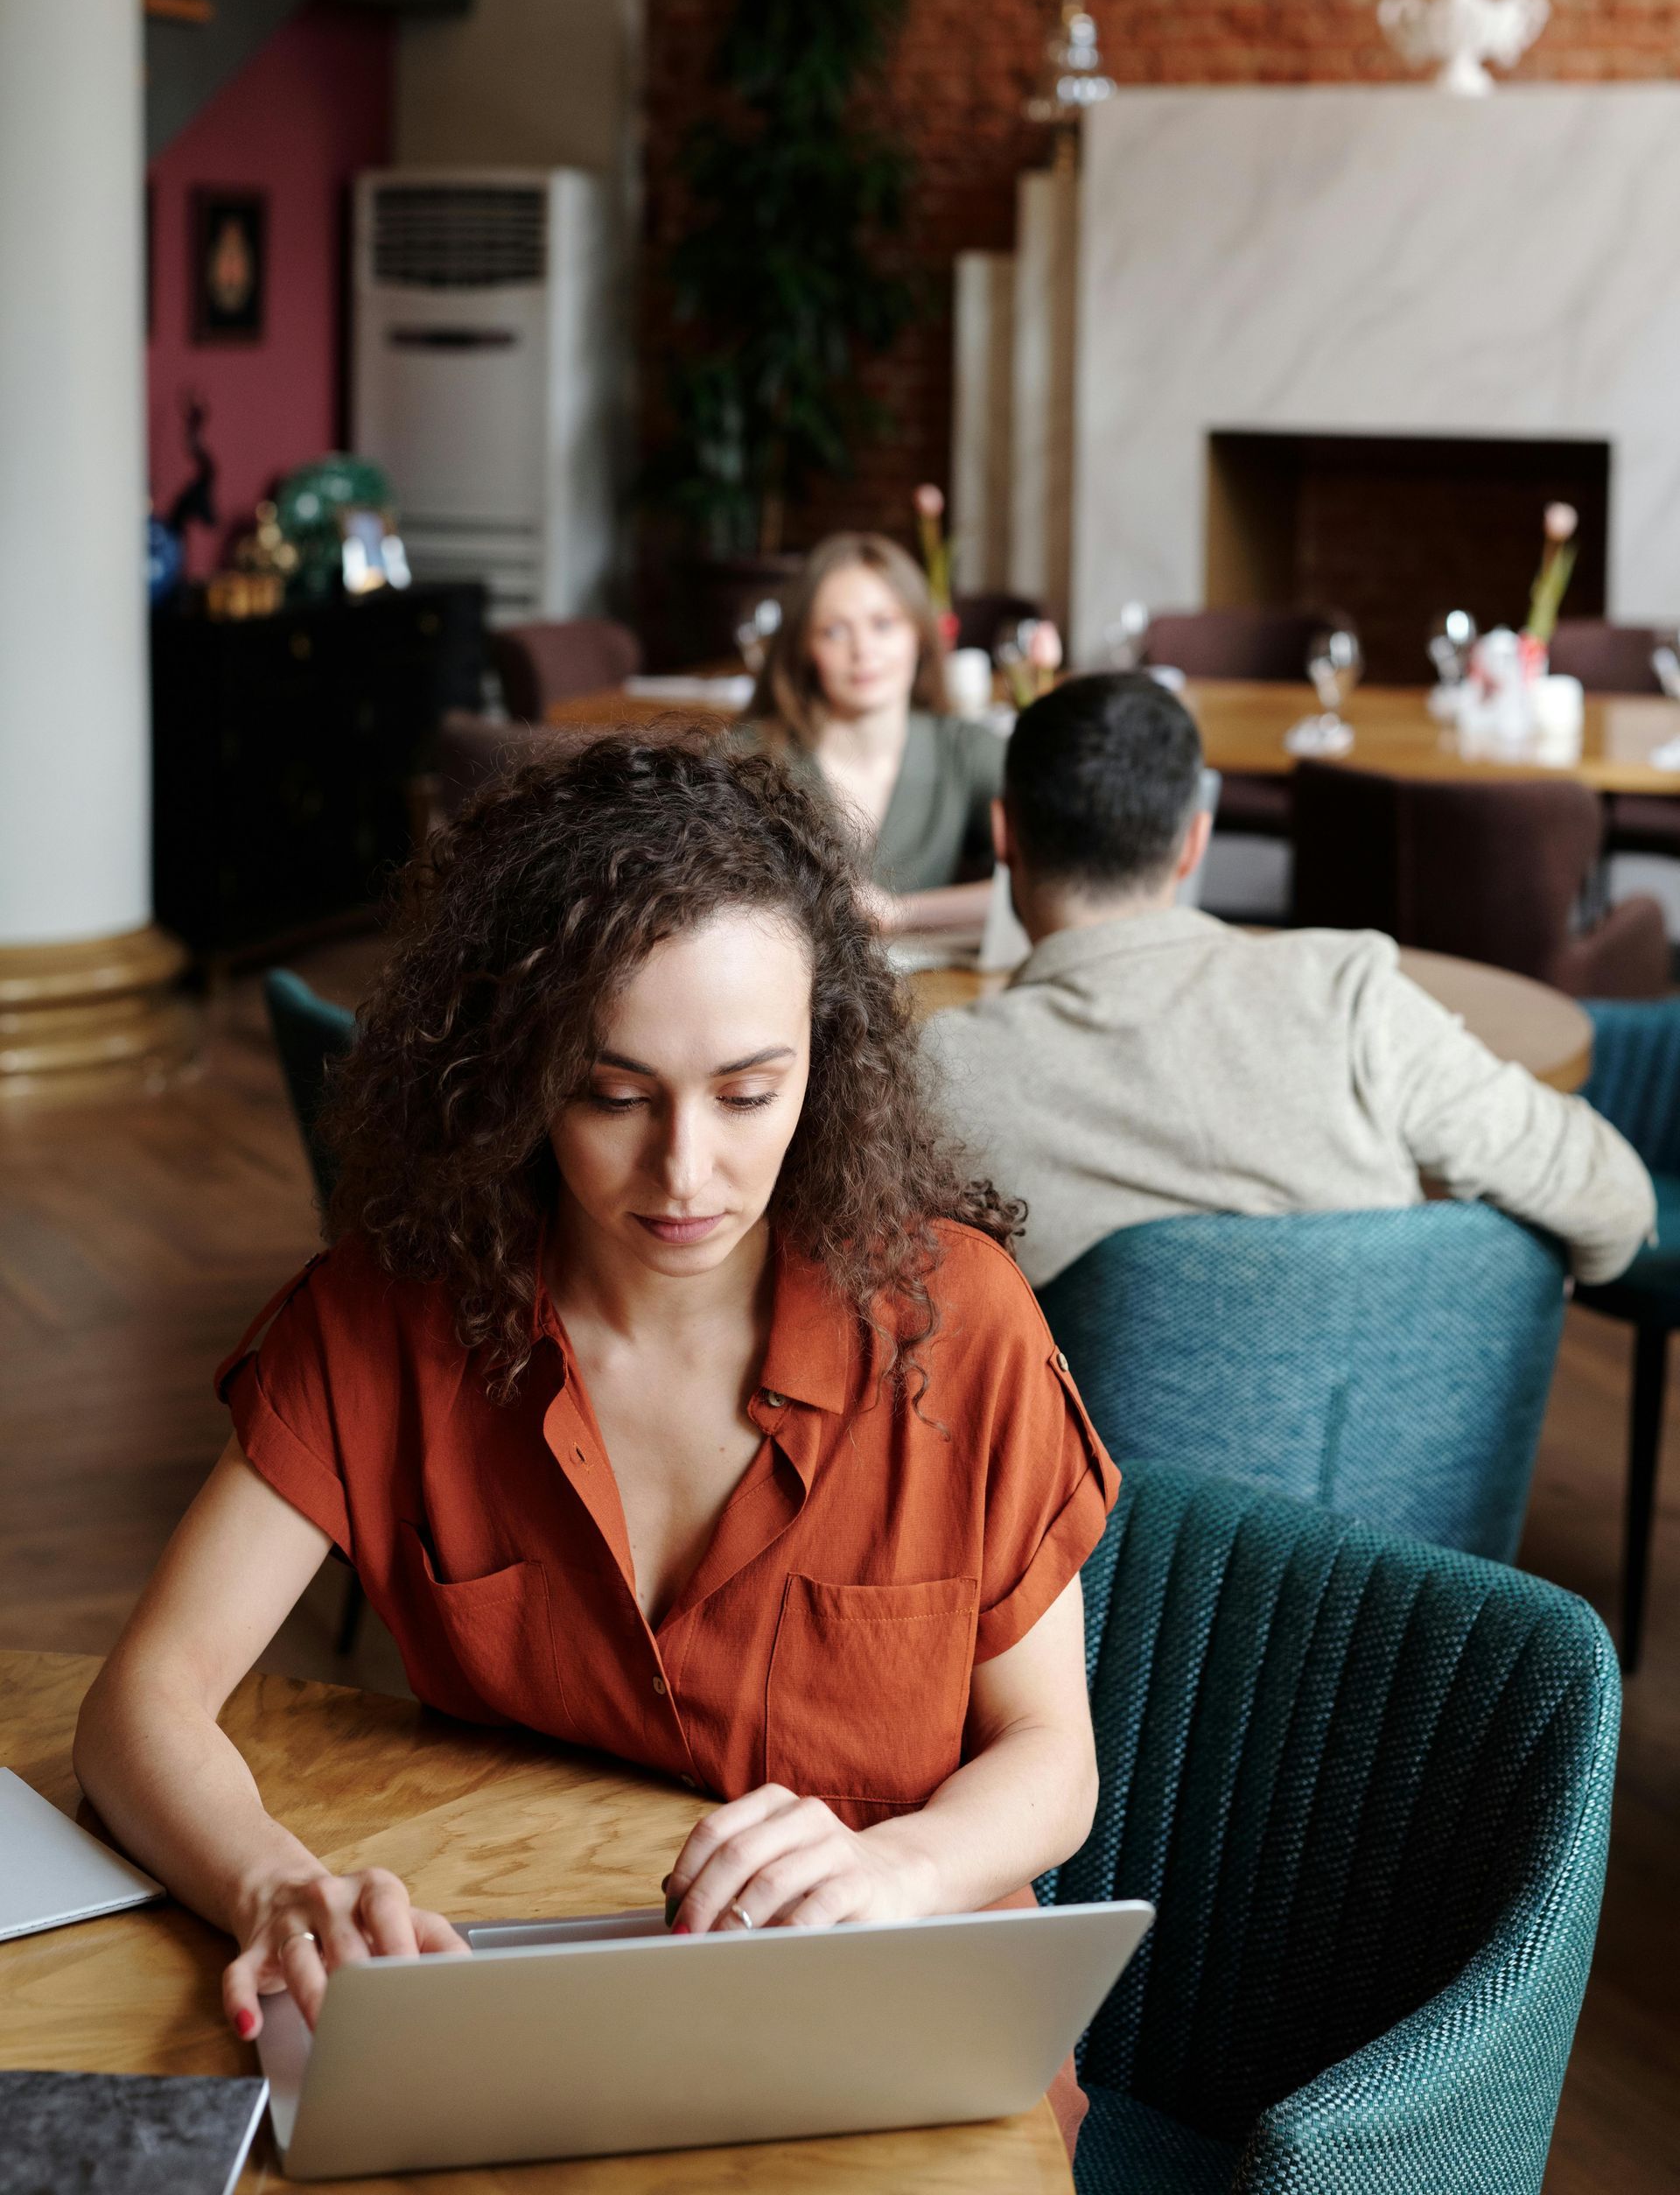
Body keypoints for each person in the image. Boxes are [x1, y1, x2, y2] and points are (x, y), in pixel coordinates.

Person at [74, 736, 1113, 2152]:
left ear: (830, 1059)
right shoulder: (390, 1319)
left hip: (887, 2003)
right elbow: (144, 1702)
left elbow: (1056, 1764)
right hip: (530, 2015)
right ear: (513, 1072)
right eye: (611, 1095)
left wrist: (900, 1865)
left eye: (751, 1094)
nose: (687, 1173)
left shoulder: (955, 1328)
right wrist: (272, 1885)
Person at [921, 671, 1656, 1291]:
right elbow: (1615, 1201)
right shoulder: (1348, 999)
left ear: (1005, 835)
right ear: (1193, 842)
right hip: (1399, 1456)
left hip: (1096, 1462)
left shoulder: (943, 1075)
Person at [739, 531, 1004, 932]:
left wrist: (904, 913)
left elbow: (1070, 874)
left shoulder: (965, 748)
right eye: (834, 631)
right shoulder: (746, 757)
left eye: (883, 624)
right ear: (805, 648)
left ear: (919, 633)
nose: (863, 650)